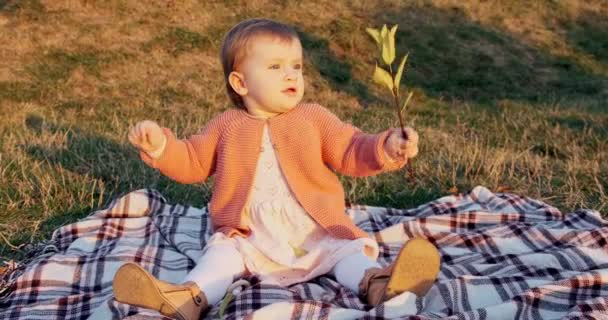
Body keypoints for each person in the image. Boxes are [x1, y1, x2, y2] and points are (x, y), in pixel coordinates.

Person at [112, 18, 440, 320]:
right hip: (251, 236)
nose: (291, 74)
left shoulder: (313, 117)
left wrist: (387, 147)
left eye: (296, 66)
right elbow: (193, 162)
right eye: (275, 66)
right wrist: (161, 148)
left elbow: (351, 149)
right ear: (240, 82)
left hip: (316, 231)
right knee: (222, 255)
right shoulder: (226, 125)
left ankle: (379, 284)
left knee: (347, 251)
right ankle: (189, 297)